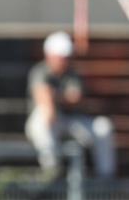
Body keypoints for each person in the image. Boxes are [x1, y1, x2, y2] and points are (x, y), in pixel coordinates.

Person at [26, 32, 115, 179]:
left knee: (103, 127)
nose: (64, 60)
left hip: (71, 121)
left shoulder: (72, 73)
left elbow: (75, 98)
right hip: (49, 122)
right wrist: (54, 101)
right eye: (61, 56)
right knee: (42, 119)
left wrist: (55, 97)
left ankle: (105, 179)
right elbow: (45, 102)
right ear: (49, 55)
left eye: (66, 56)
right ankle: (52, 171)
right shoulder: (40, 71)